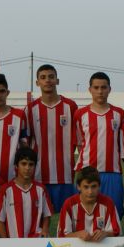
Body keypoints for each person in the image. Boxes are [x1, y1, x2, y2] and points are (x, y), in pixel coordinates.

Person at [25, 64, 79, 213]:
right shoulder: (30, 109)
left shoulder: (70, 106)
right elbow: (26, 143)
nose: (47, 80)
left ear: (57, 80)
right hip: (38, 174)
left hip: (65, 174)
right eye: (43, 77)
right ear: (37, 83)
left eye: (51, 77)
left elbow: (79, 141)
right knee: (38, 218)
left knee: (69, 217)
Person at [74, 72, 124, 216]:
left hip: (112, 172)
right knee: (84, 213)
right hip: (86, 172)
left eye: (103, 87)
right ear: (90, 89)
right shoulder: (80, 114)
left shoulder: (119, 114)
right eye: (96, 87)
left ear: (109, 89)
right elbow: (80, 143)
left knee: (113, 213)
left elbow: (121, 143)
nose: (100, 91)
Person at [0, 147, 52, 238]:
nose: (27, 168)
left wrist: (45, 230)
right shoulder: (6, 190)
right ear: (16, 166)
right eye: (24, 164)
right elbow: (0, 220)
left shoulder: (41, 189)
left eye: (31, 164)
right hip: (14, 241)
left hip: (35, 239)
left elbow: (47, 214)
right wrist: (4, 242)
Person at [57, 166, 120, 241]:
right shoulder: (69, 204)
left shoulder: (108, 203)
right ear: (78, 187)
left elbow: (116, 232)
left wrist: (105, 233)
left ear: (99, 186)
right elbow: (62, 236)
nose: (90, 192)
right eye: (86, 187)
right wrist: (77, 234)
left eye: (94, 186)